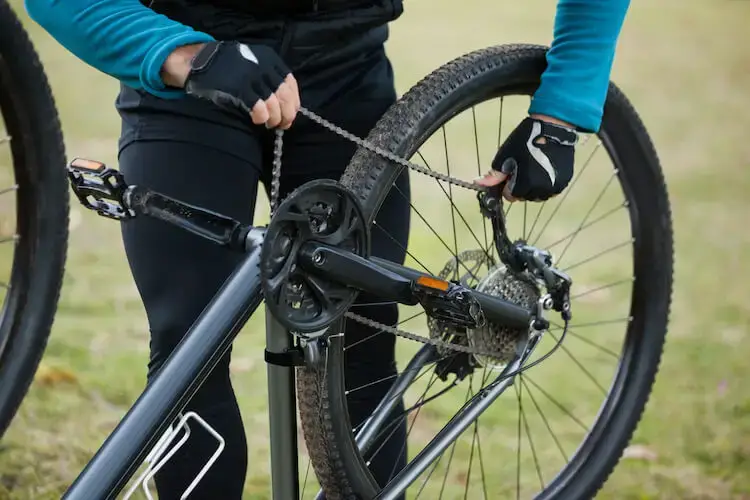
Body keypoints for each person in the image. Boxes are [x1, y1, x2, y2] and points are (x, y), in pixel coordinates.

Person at [24, 0, 631, 498]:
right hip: (188, 74)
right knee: (188, 348)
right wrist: (186, 54)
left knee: (361, 345)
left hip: (345, 69)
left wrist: (562, 112)